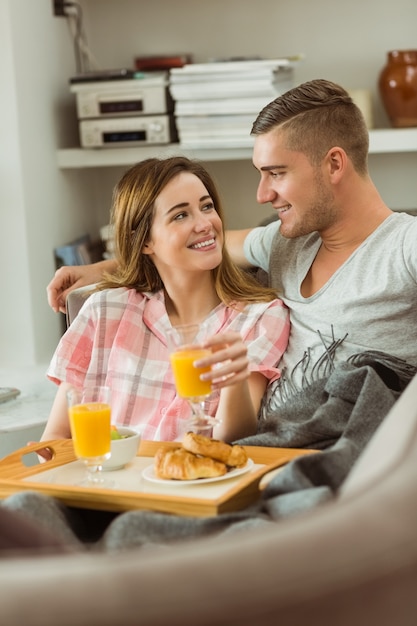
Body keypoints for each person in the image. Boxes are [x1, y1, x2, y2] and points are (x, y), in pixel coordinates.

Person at [48, 79, 417, 414]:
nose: (262, 194)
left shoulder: (405, 246)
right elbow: (196, 244)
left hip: (346, 460)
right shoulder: (283, 242)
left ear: (334, 164)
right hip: (263, 455)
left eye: (276, 173)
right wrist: (100, 269)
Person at [42, 156, 289, 446]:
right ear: (145, 241)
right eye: (180, 215)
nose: (205, 224)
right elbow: (55, 438)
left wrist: (234, 381)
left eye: (206, 206)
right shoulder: (105, 311)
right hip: (100, 483)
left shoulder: (259, 318)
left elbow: (233, 441)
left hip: (189, 486)